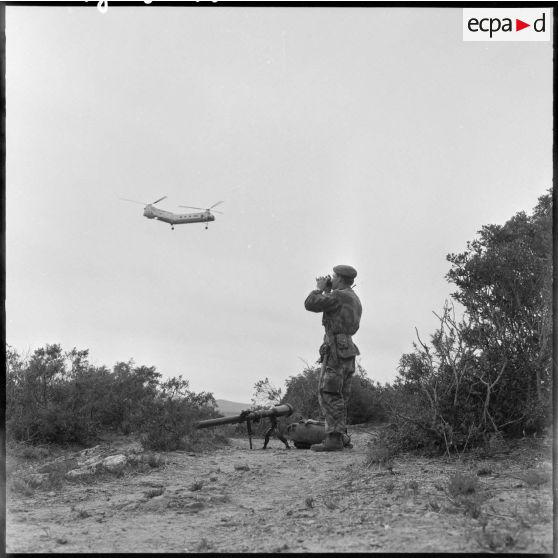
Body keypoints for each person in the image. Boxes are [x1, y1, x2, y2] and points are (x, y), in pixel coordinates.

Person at [304, 264, 362, 452]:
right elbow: (335, 308)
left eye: (334, 276)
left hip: (336, 348)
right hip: (348, 348)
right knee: (341, 394)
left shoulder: (337, 296)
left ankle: (334, 440)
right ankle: (342, 437)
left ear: (341, 279)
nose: (331, 278)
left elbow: (310, 303)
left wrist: (320, 288)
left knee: (329, 392)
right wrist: (329, 290)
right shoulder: (353, 298)